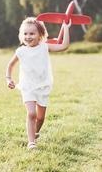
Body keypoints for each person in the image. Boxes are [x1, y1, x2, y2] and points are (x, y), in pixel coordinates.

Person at [5, 17, 71, 149]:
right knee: (31, 114)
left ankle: (34, 133)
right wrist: (8, 78)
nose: (28, 36)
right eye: (25, 34)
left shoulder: (44, 47)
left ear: (40, 35)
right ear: (21, 35)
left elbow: (64, 46)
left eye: (32, 33)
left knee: (40, 118)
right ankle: (31, 142)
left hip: (43, 86)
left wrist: (66, 28)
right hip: (28, 86)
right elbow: (10, 65)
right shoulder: (21, 51)